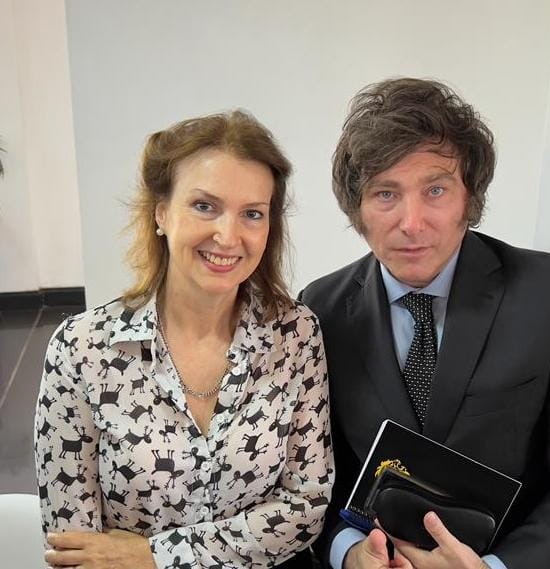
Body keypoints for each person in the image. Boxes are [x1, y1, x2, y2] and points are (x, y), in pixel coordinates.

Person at [300, 78, 550, 569]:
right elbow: (314, 479)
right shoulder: (319, 309)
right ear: (358, 209)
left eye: (435, 190)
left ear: (469, 198)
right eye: (386, 193)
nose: (412, 222)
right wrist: (347, 552)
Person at [34, 110, 334, 569]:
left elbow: (306, 507)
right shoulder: (81, 349)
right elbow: (74, 548)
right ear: (161, 213)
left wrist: (155, 555)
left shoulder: (296, 334)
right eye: (204, 206)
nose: (228, 236)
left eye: (252, 213)